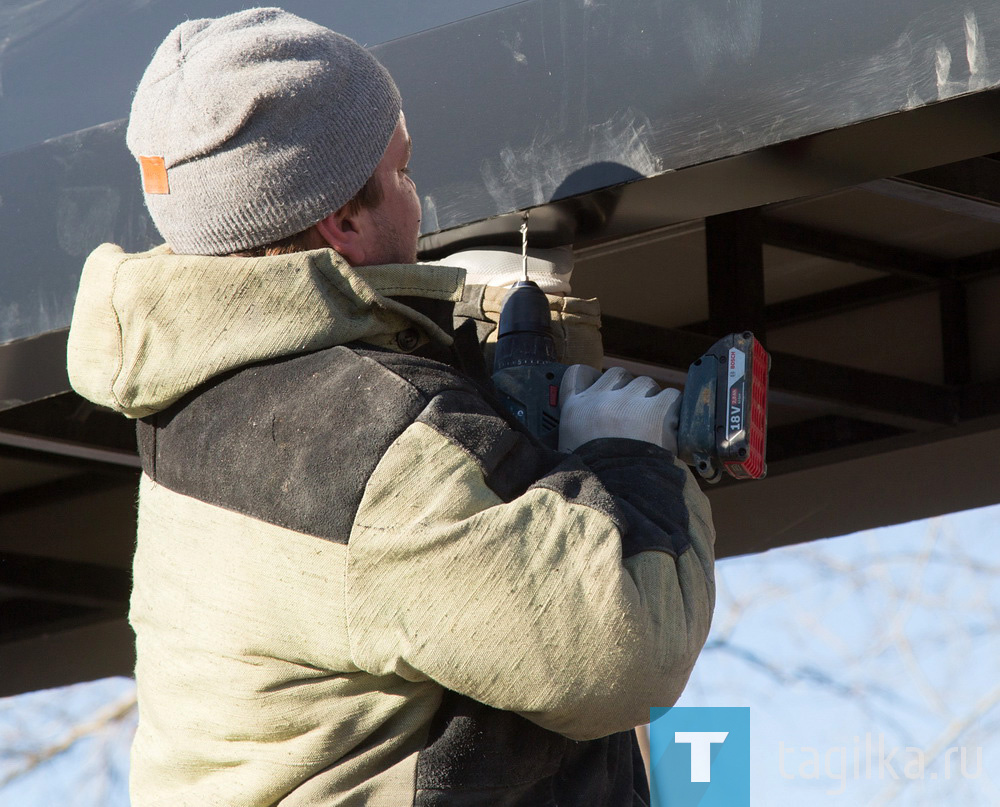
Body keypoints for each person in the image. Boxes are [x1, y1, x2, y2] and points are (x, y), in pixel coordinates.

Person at [66, 8, 716, 806]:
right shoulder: (359, 443)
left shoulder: (205, 391)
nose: (419, 201)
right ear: (342, 221)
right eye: (403, 172)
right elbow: (623, 647)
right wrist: (631, 457)